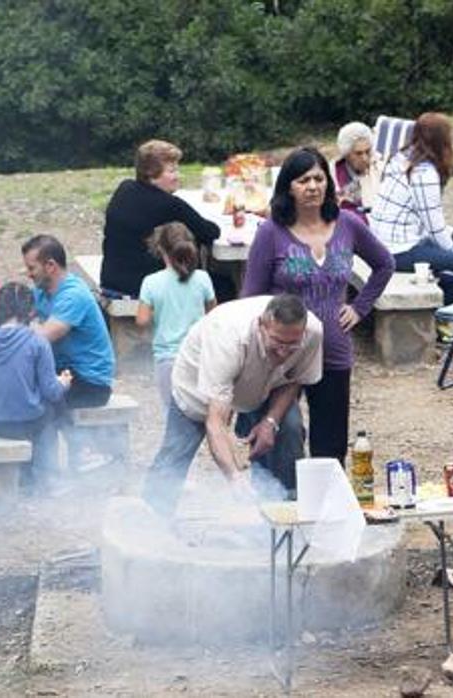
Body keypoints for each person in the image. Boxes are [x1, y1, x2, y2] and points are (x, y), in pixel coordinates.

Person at [242, 147, 393, 465]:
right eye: (302, 180)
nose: (312, 186)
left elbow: (384, 264)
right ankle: (280, 503)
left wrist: (360, 307)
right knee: (283, 435)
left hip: (333, 351)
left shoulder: (348, 223)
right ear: (288, 187)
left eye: (318, 178)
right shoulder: (271, 232)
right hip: (282, 355)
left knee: (331, 447)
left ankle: (326, 510)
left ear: (328, 183)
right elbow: (250, 297)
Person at [141, 294, 323, 516]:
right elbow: (216, 421)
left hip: (269, 383)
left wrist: (270, 421)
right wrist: (235, 477)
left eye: (292, 344)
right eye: (277, 342)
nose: (284, 352)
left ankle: (286, 515)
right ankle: (151, 518)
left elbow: (295, 378)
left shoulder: (313, 332)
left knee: (290, 429)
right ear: (261, 326)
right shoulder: (227, 337)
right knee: (178, 449)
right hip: (199, 380)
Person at [369, 112, 453, 305]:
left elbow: (428, 219)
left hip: (383, 243)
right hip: (397, 252)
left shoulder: (401, 157)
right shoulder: (424, 173)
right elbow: (434, 230)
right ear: (441, 141)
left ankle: (446, 308)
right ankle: (439, 313)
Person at [0, 283, 73, 491]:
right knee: (54, 407)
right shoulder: (37, 341)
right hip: (29, 423)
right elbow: (50, 391)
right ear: (31, 311)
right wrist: (63, 382)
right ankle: (48, 475)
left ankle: (26, 475)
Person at [100, 139, 224, 299]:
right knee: (223, 285)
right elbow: (210, 232)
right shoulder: (169, 205)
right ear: (152, 174)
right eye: (171, 171)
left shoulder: (125, 188)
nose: (177, 176)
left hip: (111, 279)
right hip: (141, 288)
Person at [22, 234, 115, 408]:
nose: (28, 274)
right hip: (62, 373)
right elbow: (16, 316)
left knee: (30, 401)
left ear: (50, 266)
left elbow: (42, 337)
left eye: (31, 268)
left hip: (90, 382)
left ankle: (40, 435)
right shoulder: (41, 291)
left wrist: (22, 328)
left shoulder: (73, 294)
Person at [136, 222, 217, 406]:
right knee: (200, 411)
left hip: (167, 358)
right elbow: (213, 314)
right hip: (198, 356)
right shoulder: (203, 278)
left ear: (161, 250)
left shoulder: (151, 282)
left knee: (173, 413)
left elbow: (142, 320)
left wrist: (157, 309)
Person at [332, 122, 380, 223]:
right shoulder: (334, 172)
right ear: (346, 154)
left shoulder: (379, 166)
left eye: (367, 151)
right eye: (358, 153)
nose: (365, 158)